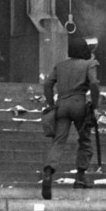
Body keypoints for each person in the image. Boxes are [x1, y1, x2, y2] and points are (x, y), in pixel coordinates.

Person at [41, 36, 100, 200]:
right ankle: (80, 177)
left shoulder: (60, 66)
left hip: (61, 106)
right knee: (85, 140)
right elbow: (94, 84)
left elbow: (47, 84)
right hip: (79, 104)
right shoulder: (89, 64)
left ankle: (48, 172)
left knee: (58, 141)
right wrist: (95, 105)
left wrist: (51, 103)